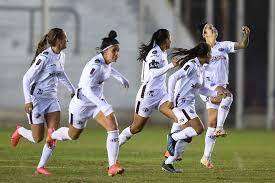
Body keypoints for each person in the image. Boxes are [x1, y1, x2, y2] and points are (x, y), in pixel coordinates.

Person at [47, 30, 129, 177]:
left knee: (113, 127)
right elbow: (86, 89)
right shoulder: (95, 65)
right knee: (73, 135)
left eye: (118, 51)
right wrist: (103, 105)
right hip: (81, 104)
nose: (117, 54)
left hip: (96, 103)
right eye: (114, 51)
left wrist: (121, 77)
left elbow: (108, 69)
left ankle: (112, 165)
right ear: (105, 51)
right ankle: (53, 136)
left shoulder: (105, 61)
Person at [10, 28, 76, 175]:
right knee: (37, 138)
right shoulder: (44, 57)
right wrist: (28, 101)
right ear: (59, 40)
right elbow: (26, 78)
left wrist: (73, 90)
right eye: (65, 38)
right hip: (37, 100)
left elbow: (60, 74)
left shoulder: (62, 56)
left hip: (52, 99)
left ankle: (41, 167)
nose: (67, 41)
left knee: (52, 134)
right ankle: (20, 131)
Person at [161, 42, 226, 173]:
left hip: (189, 104)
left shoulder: (201, 67)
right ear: (206, 55)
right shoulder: (191, 65)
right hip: (181, 103)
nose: (211, 55)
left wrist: (215, 93)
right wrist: (171, 99)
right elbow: (173, 77)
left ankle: (167, 163)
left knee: (188, 136)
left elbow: (201, 88)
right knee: (198, 129)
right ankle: (173, 137)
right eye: (210, 53)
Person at [198, 23, 250, 168]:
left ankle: (205, 158)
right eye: (209, 28)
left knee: (211, 125)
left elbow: (242, 45)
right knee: (228, 96)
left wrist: (246, 35)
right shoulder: (202, 50)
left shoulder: (223, 45)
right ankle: (221, 127)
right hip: (209, 87)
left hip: (219, 87)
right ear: (204, 34)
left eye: (214, 26)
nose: (213, 28)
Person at [118, 29, 178, 147]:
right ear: (165, 40)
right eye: (170, 38)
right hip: (148, 95)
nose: (171, 40)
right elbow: (152, 73)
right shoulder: (154, 53)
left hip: (161, 95)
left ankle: (171, 150)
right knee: (136, 128)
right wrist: (171, 65)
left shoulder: (162, 53)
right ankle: (115, 144)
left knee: (179, 117)